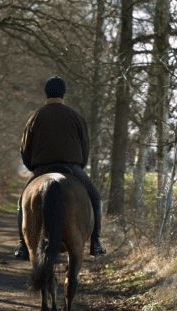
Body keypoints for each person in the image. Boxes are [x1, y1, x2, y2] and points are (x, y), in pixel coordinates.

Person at [14, 76, 106, 260]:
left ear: (45, 92)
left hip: (42, 170)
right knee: (96, 198)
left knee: (21, 205)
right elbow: (85, 148)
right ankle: (96, 241)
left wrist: (34, 167)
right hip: (72, 169)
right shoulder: (76, 116)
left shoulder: (35, 117)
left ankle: (23, 245)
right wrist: (79, 166)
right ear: (64, 93)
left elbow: (25, 150)